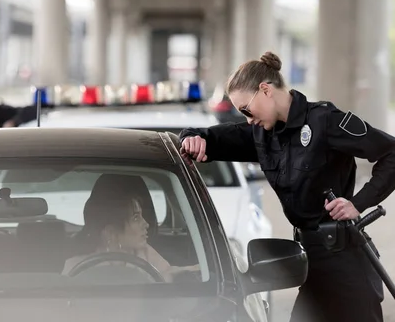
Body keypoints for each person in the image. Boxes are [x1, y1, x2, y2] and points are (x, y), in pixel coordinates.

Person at [179, 51, 395, 322]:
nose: (247, 118)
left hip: (346, 264)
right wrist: (191, 138)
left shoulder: (325, 121)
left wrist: (358, 203)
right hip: (310, 264)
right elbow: (212, 137)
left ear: (265, 90)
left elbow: (391, 153)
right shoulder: (262, 134)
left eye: (246, 109)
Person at [62, 181, 199, 282]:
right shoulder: (76, 266)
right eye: (135, 218)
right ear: (110, 233)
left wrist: (201, 271)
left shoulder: (145, 252)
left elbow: (168, 273)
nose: (146, 224)